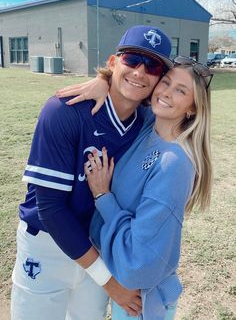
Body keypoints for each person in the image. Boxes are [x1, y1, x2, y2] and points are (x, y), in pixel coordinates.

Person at [11, 25, 174, 320]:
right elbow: (50, 208)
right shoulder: (64, 110)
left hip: (101, 242)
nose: (140, 72)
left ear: (159, 80)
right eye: (132, 60)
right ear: (113, 62)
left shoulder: (147, 123)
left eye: (152, 66)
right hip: (47, 244)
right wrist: (111, 283)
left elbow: (191, 108)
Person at [63, 56, 214, 319]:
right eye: (166, 82)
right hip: (124, 283)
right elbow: (126, 93)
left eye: (181, 91)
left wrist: (102, 195)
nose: (167, 93)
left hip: (141, 299)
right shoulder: (148, 125)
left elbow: (140, 256)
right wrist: (104, 80)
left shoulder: (173, 163)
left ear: (192, 108)